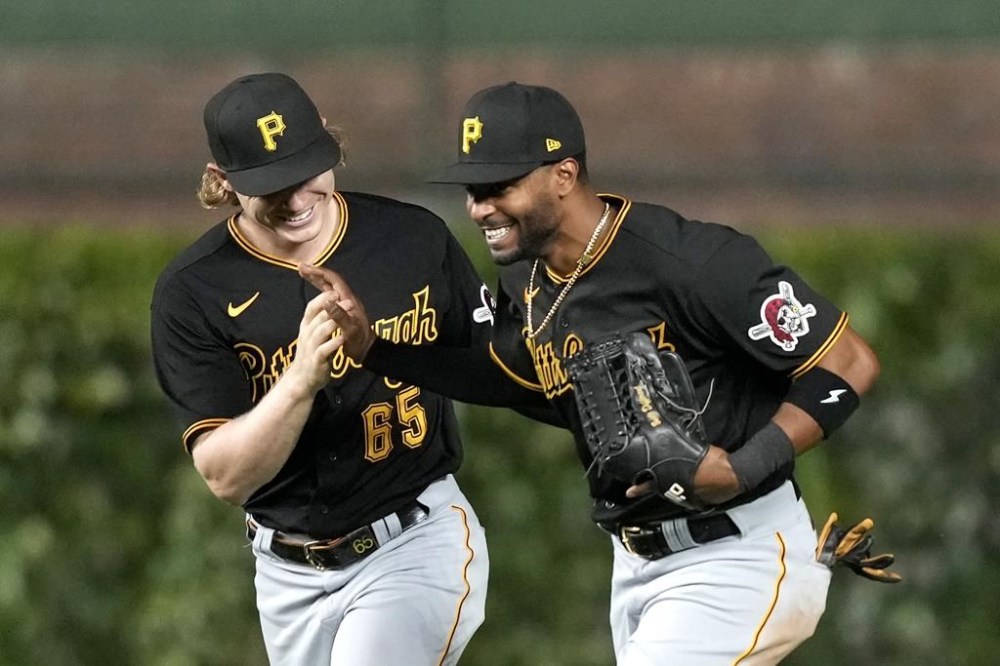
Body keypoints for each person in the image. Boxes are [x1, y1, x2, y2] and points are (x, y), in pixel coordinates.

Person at [301, 81, 894, 664]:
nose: (480, 207)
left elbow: (848, 363)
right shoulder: (527, 279)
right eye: (472, 189)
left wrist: (744, 468)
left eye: (499, 186)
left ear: (563, 174)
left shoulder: (693, 262)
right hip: (636, 566)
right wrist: (375, 347)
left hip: (737, 557)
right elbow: (510, 376)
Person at [149, 72, 495, 666]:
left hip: (413, 542)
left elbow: (497, 367)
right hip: (286, 579)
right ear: (222, 181)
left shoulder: (412, 238)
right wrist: (302, 379)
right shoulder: (193, 291)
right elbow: (227, 478)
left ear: (330, 147)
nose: (294, 197)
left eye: (305, 171)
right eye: (268, 183)